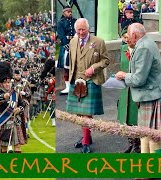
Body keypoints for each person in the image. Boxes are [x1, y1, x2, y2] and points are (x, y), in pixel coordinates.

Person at [116, 23, 161, 154]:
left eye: (128, 35)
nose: (127, 38)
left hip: (152, 96)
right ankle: (148, 168)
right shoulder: (146, 42)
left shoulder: (143, 48)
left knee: (153, 137)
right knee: (146, 135)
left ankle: (153, 170)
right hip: (152, 95)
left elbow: (139, 79)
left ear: (135, 35)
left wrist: (124, 75)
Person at [66, 18, 110, 153]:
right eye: (78, 30)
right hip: (76, 80)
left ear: (88, 29)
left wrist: (94, 68)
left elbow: (106, 60)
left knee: (86, 113)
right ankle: (87, 136)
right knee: (80, 114)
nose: (80, 32)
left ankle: (85, 142)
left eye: (83, 29)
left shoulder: (98, 42)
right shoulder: (72, 42)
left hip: (91, 80)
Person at [0, 62, 27, 153]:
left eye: (8, 82)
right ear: (1, 83)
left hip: (15, 121)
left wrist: (19, 109)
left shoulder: (15, 92)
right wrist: (4, 96)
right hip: (3, 121)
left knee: (17, 146)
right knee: (4, 147)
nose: (7, 84)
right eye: (5, 82)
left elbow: (22, 104)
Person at [117, 27, 140, 153]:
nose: (126, 40)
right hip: (125, 87)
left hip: (136, 86)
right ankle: (131, 142)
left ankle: (138, 145)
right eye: (124, 37)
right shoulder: (122, 49)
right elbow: (122, 66)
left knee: (135, 117)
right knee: (125, 117)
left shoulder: (140, 50)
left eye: (128, 37)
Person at [57, 6, 77, 95]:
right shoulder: (61, 23)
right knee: (66, 67)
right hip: (66, 46)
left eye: (70, 11)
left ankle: (76, 85)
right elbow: (61, 35)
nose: (70, 13)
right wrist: (66, 45)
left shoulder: (75, 21)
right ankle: (67, 87)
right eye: (68, 11)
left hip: (75, 44)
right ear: (63, 12)